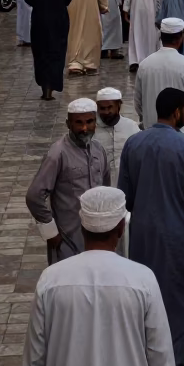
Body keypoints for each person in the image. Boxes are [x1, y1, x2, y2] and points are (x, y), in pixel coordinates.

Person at [21, 185, 175, 366]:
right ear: (121, 229)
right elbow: (161, 356)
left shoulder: (51, 279)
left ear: (82, 227)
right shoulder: (143, 280)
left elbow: (34, 360)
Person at [119, 87, 184, 366]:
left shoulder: (133, 144)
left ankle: (144, 359)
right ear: (178, 112)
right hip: (178, 240)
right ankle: (174, 365)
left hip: (142, 236)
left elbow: (125, 197)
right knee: (176, 303)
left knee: (144, 299)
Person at [26, 99, 110, 261]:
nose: (84, 128)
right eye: (78, 122)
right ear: (68, 124)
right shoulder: (58, 154)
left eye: (89, 122)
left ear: (96, 122)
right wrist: (51, 233)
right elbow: (34, 196)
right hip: (68, 241)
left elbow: (106, 190)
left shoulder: (99, 151)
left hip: (97, 239)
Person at [135, 19, 184, 146]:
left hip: (152, 132)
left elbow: (138, 103)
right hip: (183, 134)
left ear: (161, 37)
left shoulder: (144, 65)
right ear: (180, 38)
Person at [25, 0, 74, 100]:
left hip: (39, 22)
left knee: (41, 53)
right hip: (59, 23)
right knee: (56, 53)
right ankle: (51, 87)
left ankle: (44, 87)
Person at [93, 87, 140, 185]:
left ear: (119, 106)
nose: (106, 112)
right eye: (102, 108)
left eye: (110, 107)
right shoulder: (92, 131)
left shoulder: (132, 127)